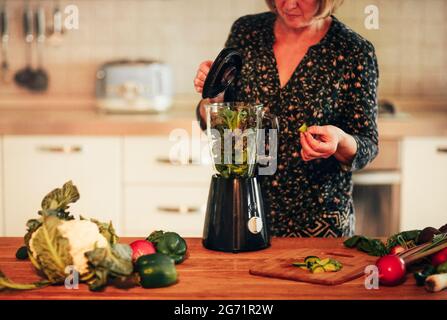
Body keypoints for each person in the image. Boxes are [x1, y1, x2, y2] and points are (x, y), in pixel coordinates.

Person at [194, 0, 379, 237]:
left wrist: (339, 141)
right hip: (244, 209)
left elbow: (368, 144)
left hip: (318, 224)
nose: (289, 4)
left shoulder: (353, 51)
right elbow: (215, 117)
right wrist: (213, 97)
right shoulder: (247, 32)